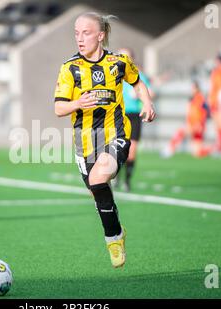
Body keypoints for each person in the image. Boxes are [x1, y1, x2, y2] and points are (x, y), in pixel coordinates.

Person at [54, 12, 156, 268]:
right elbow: (58, 108)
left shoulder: (119, 62)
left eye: (86, 33)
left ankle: (112, 239)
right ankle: (118, 231)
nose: (79, 38)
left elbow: (137, 82)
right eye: (76, 33)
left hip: (116, 134)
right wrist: (77, 103)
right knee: (96, 190)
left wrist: (147, 101)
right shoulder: (70, 68)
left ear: (100, 35)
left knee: (99, 178)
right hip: (84, 143)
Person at [113, 47, 154, 192]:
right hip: (117, 116)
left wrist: (142, 96)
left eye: (125, 56)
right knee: (117, 150)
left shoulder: (138, 76)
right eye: (120, 55)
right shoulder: (112, 74)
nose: (122, 59)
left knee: (132, 151)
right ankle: (117, 176)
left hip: (134, 117)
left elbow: (150, 92)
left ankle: (127, 181)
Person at [162, 81, 211, 158]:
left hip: (196, 124)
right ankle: (214, 149)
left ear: (197, 88)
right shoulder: (193, 98)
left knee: (181, 132)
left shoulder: (199, 98)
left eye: (193, 88)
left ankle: (170, 149)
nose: (191, 90)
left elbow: (205, 111)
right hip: (193, 123)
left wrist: (200, 123)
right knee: (197, 153)